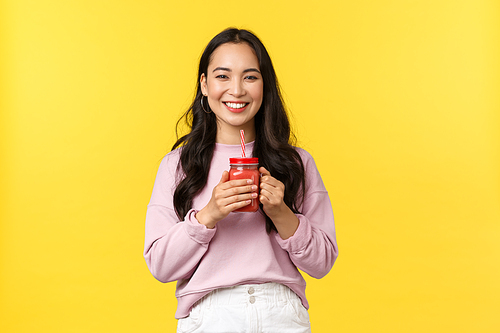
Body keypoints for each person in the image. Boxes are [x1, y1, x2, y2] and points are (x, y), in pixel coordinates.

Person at [144, 28, 338, 333]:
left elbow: (323, 263)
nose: (236, 90)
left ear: (265, 86)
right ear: (204, 85)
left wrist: (282, 214)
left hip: (282, 315)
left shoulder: (296, 163)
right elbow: (160, 267)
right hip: (209, 316)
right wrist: (208, 215)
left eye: (250, 77)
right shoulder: (178, 166)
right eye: (222, 76)